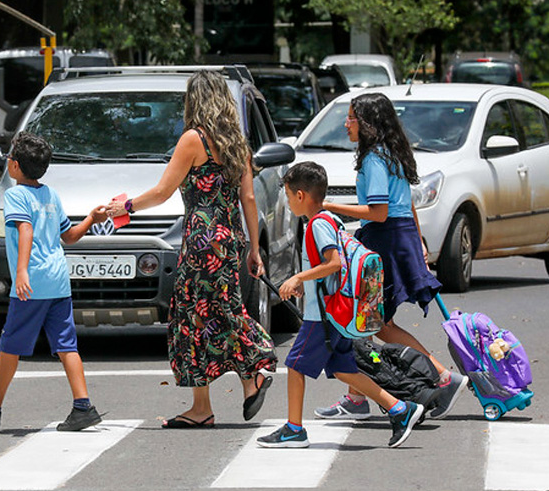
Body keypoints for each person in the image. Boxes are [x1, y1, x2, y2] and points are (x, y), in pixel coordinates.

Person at [107, 70, 277, 428]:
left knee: (195, 317)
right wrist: (253, 248)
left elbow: (163, 191)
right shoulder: (237, 143)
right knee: (213, 313)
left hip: (201, 240)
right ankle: (219, 397)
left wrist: (127, 207)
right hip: (229, 239)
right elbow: (248, 197)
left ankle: (255, 364)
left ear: (195, 101)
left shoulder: (193, 139)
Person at [313, 92, 468, 422]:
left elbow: (379, 212)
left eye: (351, 118)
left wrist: (327, 206)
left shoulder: (374, 159)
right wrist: (418, 240)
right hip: (399, 236)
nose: (346, 124)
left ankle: (442, 376)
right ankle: (357, 397)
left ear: (367, 123)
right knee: (367, 323)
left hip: (385, 240)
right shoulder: (392, 152)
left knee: (375, 323)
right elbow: (407, 203)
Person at [257, 162, 424, 448]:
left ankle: (294, 429)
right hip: (334, 312)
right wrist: (306, 284)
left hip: (322, 316)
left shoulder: (317, 225)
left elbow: (333, 263)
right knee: (344, 369)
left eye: (288, 194)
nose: (288, 201)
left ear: (301, 195)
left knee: (295, 365)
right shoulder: (330, 220)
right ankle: (399, 409)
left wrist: (298, 277)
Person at [0, 132, 108, 432]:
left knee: (10, 346)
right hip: (58, 282)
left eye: (10, 157)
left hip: (33, 283)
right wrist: (91, 218)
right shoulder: (51, 195)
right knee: (66, 346)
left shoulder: (16, 195)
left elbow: (25, 230)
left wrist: (21, 271)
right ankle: (83, 406)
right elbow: (69, 237)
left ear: (14, 166)